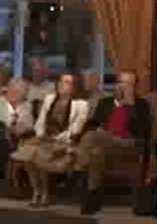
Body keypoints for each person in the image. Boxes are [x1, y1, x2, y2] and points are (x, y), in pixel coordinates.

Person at [76, 70, 151, 215]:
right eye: (122, 82)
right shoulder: (105, 102)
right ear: (117, 84)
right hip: (104, 143)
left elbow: (142, 132)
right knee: (95, 151)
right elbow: (92, 124)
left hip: (128, 144)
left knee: (95, 137)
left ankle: (79, 165)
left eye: (129, 84)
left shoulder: (141, 105)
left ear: (135, 87)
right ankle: (92, 197)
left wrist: (130, 106)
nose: (125, 86)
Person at [10, 74, 89, 208]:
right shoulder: (49, 98)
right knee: (30, 150)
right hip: (44, 137)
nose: (61, 84)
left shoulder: (82, 104)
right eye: (61, 81)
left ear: (74, 86)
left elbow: (76, 128)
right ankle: (37, 191)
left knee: (36, 152)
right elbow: (41, 121)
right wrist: (41, 135)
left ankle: (44, 193)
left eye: (67, 82)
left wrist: (56, 138)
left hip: (63, 141)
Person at [0, 78, 34, 184]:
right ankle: (2, 180)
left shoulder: (27, 106)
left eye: (21, 93)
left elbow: (29, 125)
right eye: (14, 91)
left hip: (19, 140)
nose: (15, 95)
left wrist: (22, 128)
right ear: (8, 90)